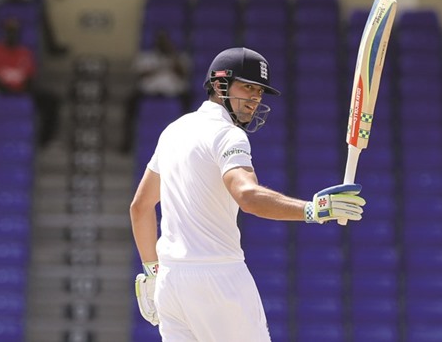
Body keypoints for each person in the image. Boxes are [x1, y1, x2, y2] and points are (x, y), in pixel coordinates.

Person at [130, 47, 366, 341]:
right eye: (248, 87)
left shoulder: (173, 131)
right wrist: (314, 209)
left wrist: (152, 272)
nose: (255, 98)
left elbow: (140, 207)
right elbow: (248, 196)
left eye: (260, 91)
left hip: (170, 283)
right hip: (219, 279)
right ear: (219, 85)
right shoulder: (228, 134)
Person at [0, 17, 61, 147]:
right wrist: (9, 90)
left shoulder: (25, 53)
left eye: (15, 32)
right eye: (9, 32)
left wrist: (23, 91)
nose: (12, 35)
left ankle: (43, 141)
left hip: (21, 91)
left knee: (51, 100)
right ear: (4, 34)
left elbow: (30, 78)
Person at [120, 29, 190, 153]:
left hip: (172, 92)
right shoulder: (146, 57)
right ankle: (127, 141)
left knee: (189, 102)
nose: (162, 44)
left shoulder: (178, 57)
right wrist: (159, 67)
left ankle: (188, 141)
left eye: (165, 41)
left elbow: (182, 74)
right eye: (160, 41)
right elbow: (140, 75)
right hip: (149, 91)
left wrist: (171, 57)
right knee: (130, 101)